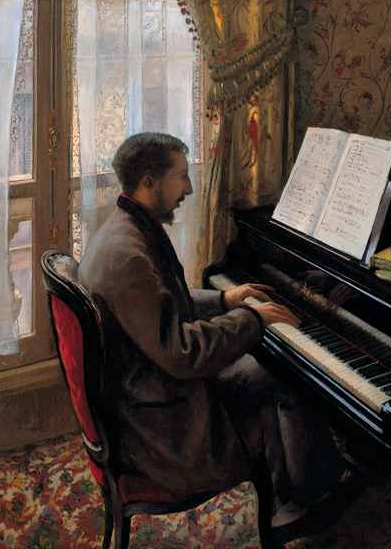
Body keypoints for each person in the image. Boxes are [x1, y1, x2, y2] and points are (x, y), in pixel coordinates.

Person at [77, 132, 347, 533]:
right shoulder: (128, 256)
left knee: (268, 372)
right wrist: (254, 320)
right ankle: (316, 492)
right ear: (149, 182)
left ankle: (287, 497)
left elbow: (165, 302)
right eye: (181, 176)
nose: (188, 187)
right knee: (286, 379)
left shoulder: (127, 228)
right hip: (159, 423)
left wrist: (224, 301)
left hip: (148, 386)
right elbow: (183, 354)